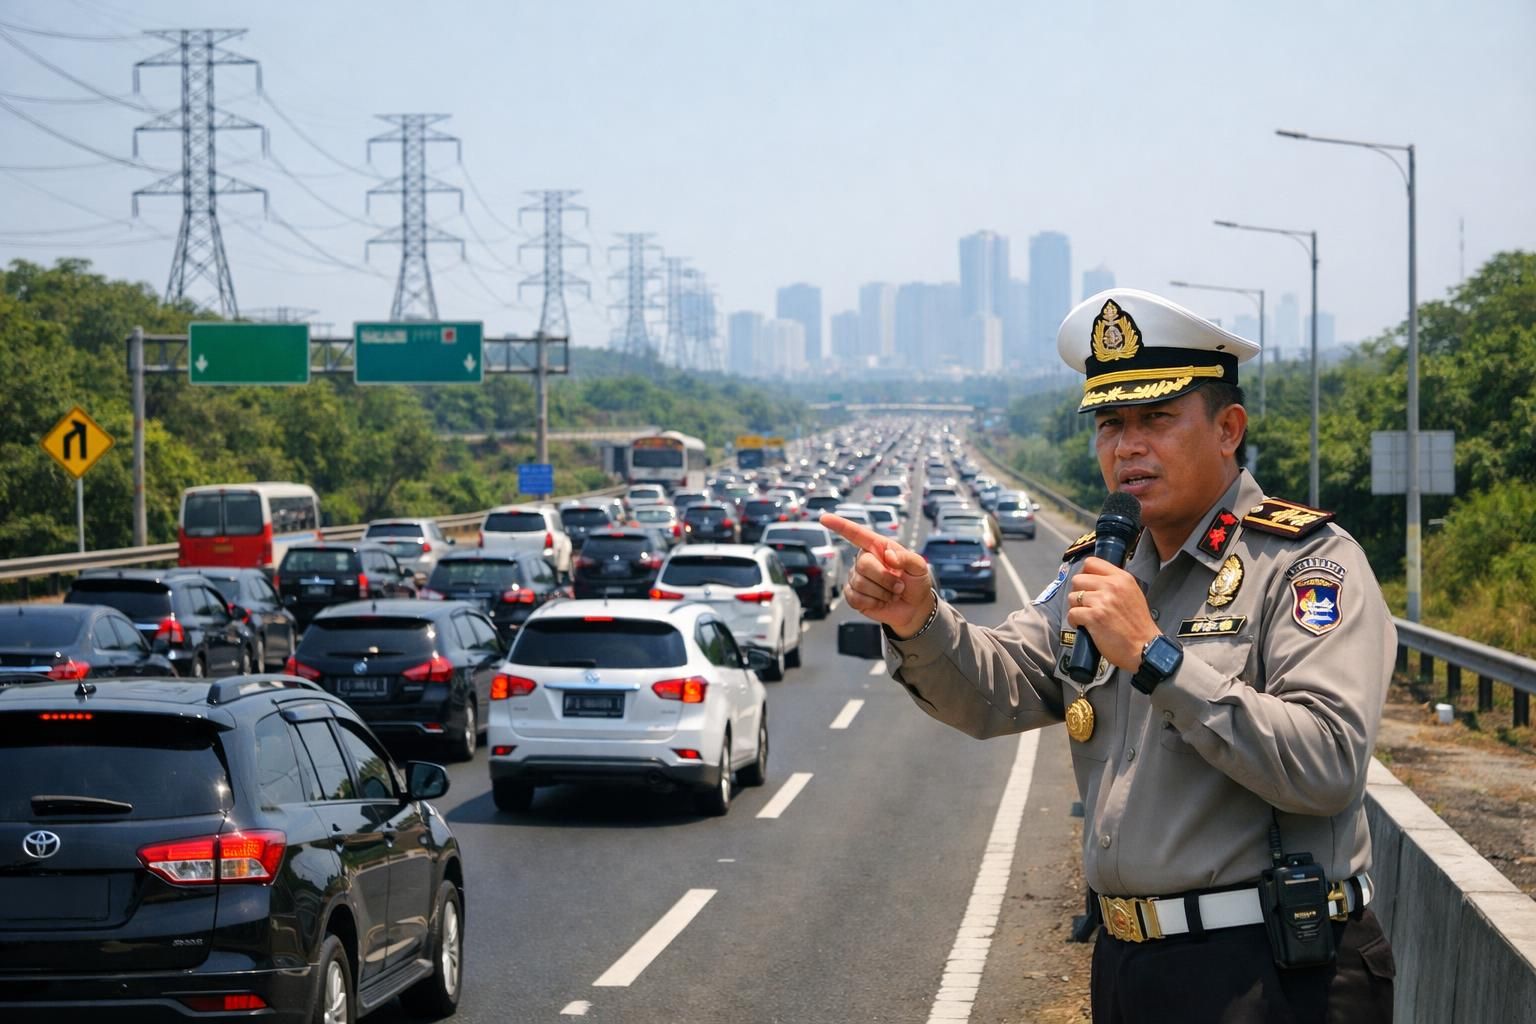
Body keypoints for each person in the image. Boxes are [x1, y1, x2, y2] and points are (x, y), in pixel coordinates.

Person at [823, 288, 1397, 1023]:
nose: (1128, 446)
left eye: (1157, 419)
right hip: (1129, 967)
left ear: (1228, 429)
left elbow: (1328, 765)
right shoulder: (1102, 568)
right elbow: (996, 690)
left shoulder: (1305, 564)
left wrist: (1158, 659)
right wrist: (920, 618)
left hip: (1273, 971)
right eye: (1111, 423)